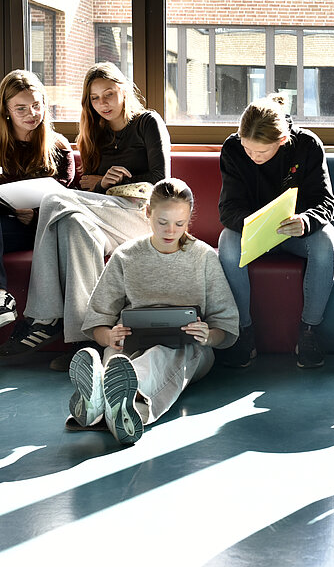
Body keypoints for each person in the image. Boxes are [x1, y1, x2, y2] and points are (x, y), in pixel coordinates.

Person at [0, 62, 170, 365]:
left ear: (124, 91)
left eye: (109, 94)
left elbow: (160, 182)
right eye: (94, 98)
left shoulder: (147, 122)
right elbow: (90, 190)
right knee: (74, 226)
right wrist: (104, 183)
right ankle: (85, 342)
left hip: (142, 216)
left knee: (55, 199)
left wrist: (118, 182)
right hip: (104, 219)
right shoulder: (95, 132)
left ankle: (43, 318)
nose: (102, 103)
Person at [67, 178, 239, 445]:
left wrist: (208, 335)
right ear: (147, 212)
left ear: (189, 219)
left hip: (190, 350)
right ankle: (120, 409)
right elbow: (98, 319)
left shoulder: (204, 257)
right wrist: (108, 337)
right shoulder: (125, 256)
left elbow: (226, 326)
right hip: (130, 346)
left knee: (167, 352)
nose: (171, 231)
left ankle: (100, 397)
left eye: (180, 224)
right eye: (162, 222)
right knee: (119, 356)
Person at [217, 94, 334, 369]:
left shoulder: (307, 145)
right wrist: (254, 224)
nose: (253, 157)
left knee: (325, 241)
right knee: (227, 242)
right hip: (252, 232)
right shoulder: (233, 149)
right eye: (248, 150)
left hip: (296, 233)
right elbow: (228, 208)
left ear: (282, 141)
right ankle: (243, 333)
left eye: (261, 152)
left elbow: (326, 201)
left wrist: (306, 221)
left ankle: (308, 331)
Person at [0, 70, 75, 327]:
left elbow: (66, 200)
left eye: (36, 105)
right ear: (7, 111)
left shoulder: (59, 147)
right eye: (20, 109)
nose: (31, 114)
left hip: (41, 229)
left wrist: (34, 216)